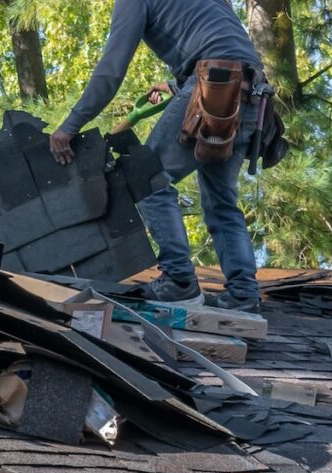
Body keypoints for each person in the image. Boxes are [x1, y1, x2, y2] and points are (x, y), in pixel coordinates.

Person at [49, 0, 265, 312]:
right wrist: (178, 83)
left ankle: (178, 282)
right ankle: (244, 293)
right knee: (221, 201)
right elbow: (225, 46)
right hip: (253, 97)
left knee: (147, 178)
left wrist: (70, 126)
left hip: (213, 87)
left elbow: (111, 70)